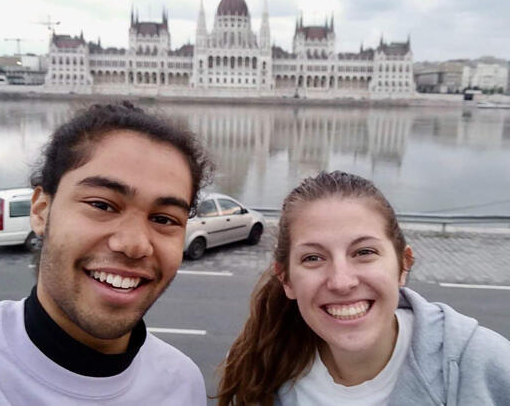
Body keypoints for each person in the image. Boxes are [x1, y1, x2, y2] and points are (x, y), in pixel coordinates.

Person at [0, 102, 212, 405]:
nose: (134, 244)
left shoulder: (183, 384)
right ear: (40, 211)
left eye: (164, 219)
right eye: (101, 205)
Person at [217, 170, 510, 406]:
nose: (342, 282)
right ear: (286, 280)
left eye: (364, 252)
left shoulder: (487, 365)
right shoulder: (256, 370)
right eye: (313, 258)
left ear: (403, 265)